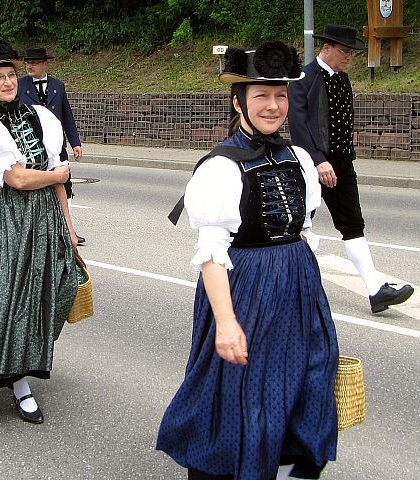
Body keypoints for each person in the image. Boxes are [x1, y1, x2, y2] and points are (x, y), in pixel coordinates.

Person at [156, 41, 338, 480]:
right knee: (240, 397)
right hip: (245, 293)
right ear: (238, 103)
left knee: (310, 382)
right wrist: (227, 322)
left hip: (297, 292)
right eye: (260, 96)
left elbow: (305, 232)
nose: (273, 106)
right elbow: (212, 255)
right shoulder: (220, 169)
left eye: (280, 96)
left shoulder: (298, 160)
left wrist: (309, 296)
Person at [0, 40, 78, 424]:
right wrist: (56, 175)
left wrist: (70, 228)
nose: (6, 82)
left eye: (9, 75)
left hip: (41, 216)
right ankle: (18, 382)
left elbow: (58, 181)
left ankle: (23, 359)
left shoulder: (41, 116)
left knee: (47, 291)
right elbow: (18, 178)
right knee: (2, 294)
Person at [289, 24, 413, 314]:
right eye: (345, 52)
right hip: (312, 165)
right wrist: (318, 161)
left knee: (353, 226)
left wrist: (340, 160)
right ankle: (293, 289)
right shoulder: (303, 79)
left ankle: (375, 292)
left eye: (353, 54)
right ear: (326, 48)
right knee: (298, 227)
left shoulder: (343, 79)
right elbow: (298, 126)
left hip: (342, 164)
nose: (349, 58)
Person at [18, 47, 86, 246]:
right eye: (27, 62)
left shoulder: (57, 85)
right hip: (31, 147)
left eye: (35, 62)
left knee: (65, 184)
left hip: (56, 145)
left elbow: (67, 115)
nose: (30, 66)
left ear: (45, 64)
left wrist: (75, 142)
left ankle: (65, 227)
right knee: (37, 186)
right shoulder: (20, 85)